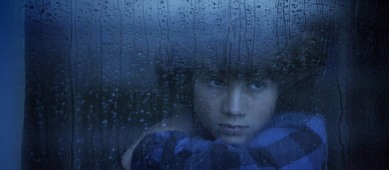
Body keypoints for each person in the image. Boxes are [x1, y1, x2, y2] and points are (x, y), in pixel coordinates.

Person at [121, 1, 334, 169]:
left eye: (257, 85)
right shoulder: (199, 134)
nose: (233, 108)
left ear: (281, 87)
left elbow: (234, 165)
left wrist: (149, 148)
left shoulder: (306, 133)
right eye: (215, 82)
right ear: (190, 81)